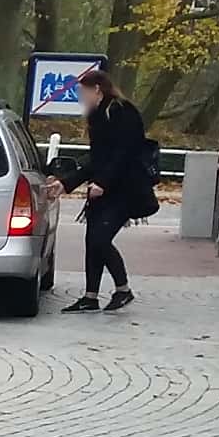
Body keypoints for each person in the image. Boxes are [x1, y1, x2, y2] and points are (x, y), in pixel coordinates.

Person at [58, 65, 160, 312]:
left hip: (125, 189)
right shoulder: (96, 115)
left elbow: (123, 154)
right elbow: (97, 157)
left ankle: (123, 290)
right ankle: (90, 296)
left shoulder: (122, 112)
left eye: (83, 93)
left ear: (97, 89)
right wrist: (66, 182)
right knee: (92, 240)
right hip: (103, 189)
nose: (81, 99)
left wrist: (103, 182)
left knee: (101, 239)